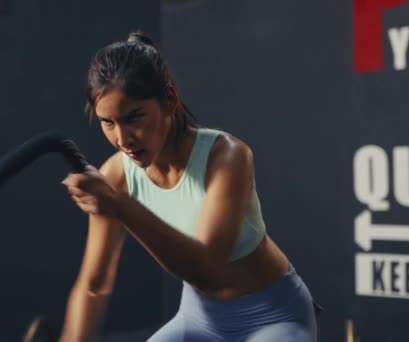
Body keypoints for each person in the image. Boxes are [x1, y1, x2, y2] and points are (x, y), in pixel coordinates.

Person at [59, 31, 319, 342]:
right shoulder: (115, 175)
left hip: (273, 317)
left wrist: (121, 206)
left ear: (169, 101)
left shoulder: (228, 156)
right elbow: (93, 286)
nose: (123, 138)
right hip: (198, 320)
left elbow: (207, 269)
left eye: (134, 117)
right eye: (108, 122)